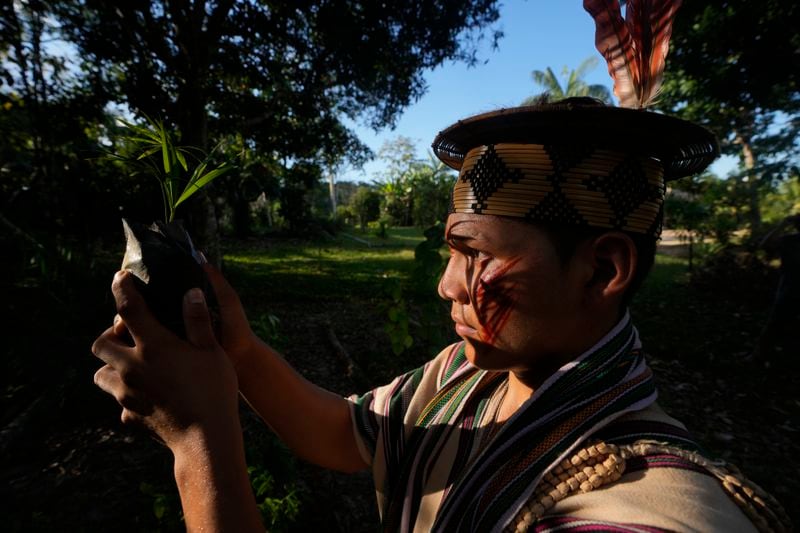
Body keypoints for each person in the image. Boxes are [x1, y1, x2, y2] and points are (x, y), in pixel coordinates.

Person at [91, 98, 789, 532]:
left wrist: (199, 447)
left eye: (475, 255)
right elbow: (344, 432)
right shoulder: (470, 374)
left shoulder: (638, 506)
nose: (446, 286)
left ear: (603, 270)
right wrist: (238, 353)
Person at [752, 214, 800, 362]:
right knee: (776, 323)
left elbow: (765, 245)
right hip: (788, 289)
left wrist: (782, 225)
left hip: (788, 289)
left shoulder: (789, 240)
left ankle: (764, 355)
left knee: (776, 324)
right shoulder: (789, 240)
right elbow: (765, 245)